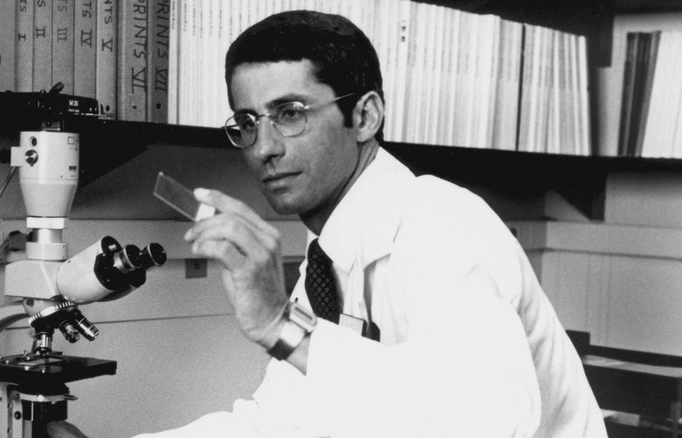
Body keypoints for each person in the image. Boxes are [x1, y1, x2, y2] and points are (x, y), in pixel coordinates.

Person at [51, 10, 606, 438]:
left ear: (364, 116)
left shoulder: (442, 224)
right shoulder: (327, 258)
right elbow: (277, 423)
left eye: (290, 114)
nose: (263, 148)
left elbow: (491, 421)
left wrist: (277, 324)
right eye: (247, 121)